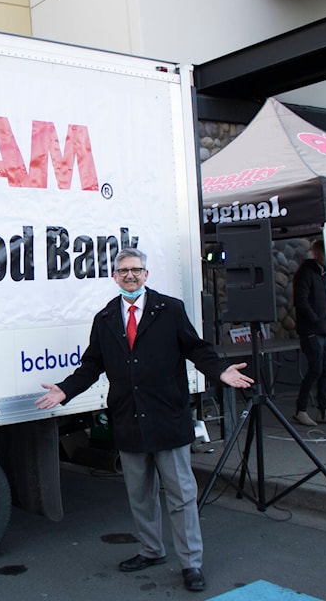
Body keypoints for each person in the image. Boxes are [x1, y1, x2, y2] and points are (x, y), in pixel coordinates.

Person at [36, 248, 253, 593]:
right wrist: (65, 390)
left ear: (146, 274)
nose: (130, 276)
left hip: (168, 418)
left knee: (181, 496)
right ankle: (151, 550)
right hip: (128, 420)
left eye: (136, 270)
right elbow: (92, 365)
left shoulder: (169, 310)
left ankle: (190, 563)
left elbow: (196, 348)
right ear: (114, 277)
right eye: (123, 271)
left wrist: (219, 370)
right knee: (140, 495)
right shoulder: (106, 318)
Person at [292, 239, 326, 426]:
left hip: (325, 328)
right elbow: (300, 300)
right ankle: (301, 409)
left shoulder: (325, 273)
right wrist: (315, 319)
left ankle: (323, 409)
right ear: (317, 254)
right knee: (316, 368)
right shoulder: (306, 272)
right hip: (312, 329)